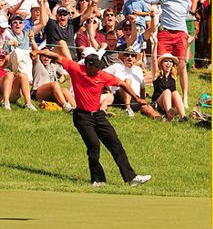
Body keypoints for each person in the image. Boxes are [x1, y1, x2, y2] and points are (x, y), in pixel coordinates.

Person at [36, 49, 152, 187]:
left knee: (115, 144)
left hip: (98, 115)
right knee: (94, 146)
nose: (99, 70)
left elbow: (122, 84)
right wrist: (37, 51)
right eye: (96, 67)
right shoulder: (76, 69)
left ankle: (131, 178)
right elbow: (56, 56)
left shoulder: (102, 75)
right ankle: (98, 179)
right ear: (88, 65)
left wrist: (137, 98)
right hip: (82, 117)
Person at [144, 0, 192, 108]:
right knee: (160, 65)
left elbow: (184, 17)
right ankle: (159, 96)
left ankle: (185, 97)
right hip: (165, 32)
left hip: (181, 34)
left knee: (182, 66)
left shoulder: (188, 1)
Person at [104, 46, 161, 119]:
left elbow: (142, 88)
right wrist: (108, 90)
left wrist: (143, 100)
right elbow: (101, 74)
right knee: (127, 81)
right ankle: (128, 108)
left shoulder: (138, 70)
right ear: (123, 57)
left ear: (134, 59)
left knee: (146, 107)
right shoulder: (116, 66)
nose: (129, 57)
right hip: (118, 96)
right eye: (127, 55)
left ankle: (159, 118)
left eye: (132, 55)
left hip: (135, 98)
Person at [151, 38, 187, 122]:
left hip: (170, 103)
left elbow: (185, 61)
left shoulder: (173, 76)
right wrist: (155, 45)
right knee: (167, 91)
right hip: (158, 104)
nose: (168, 63)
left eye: (170, 62)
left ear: (172, 64)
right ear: (161, 64)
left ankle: (183, 117)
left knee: (175, 92)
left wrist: (188, 45)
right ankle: (169, 114)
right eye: (166, 61)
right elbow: (153, 60)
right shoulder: (157, 74)